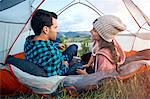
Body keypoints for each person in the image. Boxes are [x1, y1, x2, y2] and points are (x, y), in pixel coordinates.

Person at [24, 9, 78, 76]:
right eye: (55, 27)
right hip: (61, 64)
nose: (57, 31)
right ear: (46, 29)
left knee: (57, 40)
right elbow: (58, 74)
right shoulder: (51, 54)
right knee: (74, 49)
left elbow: (44, 45)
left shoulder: (28, 41)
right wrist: (65, 64)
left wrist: (56, 45)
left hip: (55, 58)